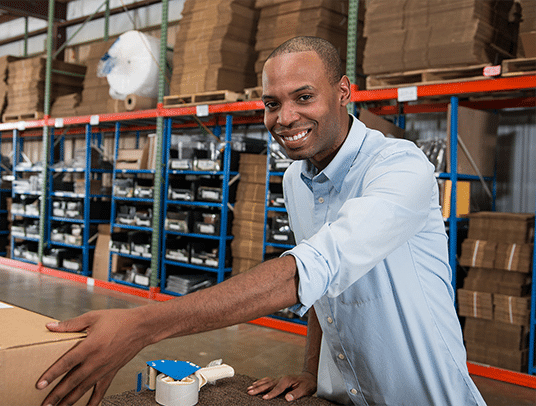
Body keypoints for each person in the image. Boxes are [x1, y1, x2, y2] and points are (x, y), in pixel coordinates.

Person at [35, 37, 486, 406]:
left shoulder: (400, 167)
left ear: (344, 91)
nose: (285, 118)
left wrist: (142, 326)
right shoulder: (295, 180)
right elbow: (322, 290)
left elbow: (316, 266)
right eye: (272, 103)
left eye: (304, 97)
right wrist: (313, 372)